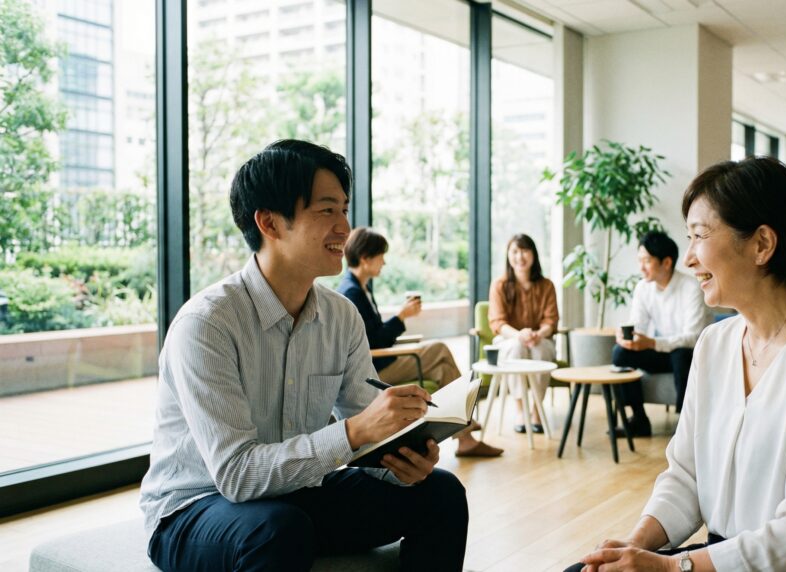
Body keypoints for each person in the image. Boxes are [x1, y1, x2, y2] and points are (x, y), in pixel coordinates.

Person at [139, 140, 468, 572]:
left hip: (298, 494)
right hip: (196, 507)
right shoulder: (207, 325)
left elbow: (368, 432)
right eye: (327, 210)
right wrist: (353, 433)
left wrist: (402, 461)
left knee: (441, 493)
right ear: (270, 223)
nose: (345, 226)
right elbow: (237, 475)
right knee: (277, 529)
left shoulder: (340, 317)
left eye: (345, 209)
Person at [567, 157, 786, 571]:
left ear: (761, 245)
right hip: (724, 556)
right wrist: (634, 545)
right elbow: (686, 477)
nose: (688, 259)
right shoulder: (714, 344)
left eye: (699, 236)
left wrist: (667, 567)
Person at [338, 226, 503, 458]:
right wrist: (402, 316)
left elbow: (376, 335)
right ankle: (465, 424)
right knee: (439, 349)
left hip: (383, 361)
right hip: (375, 369)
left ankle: (465, 439)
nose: (384, 263)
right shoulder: (352, 292)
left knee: (443, 368)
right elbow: (372, 343)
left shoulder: (361, 288)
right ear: (365, 258)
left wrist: (399, 319)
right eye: (381, 256)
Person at [612, 230, 713, 437]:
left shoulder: (691, 287)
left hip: (692, 354)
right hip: (662, 352)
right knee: (620, 353)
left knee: (681, 354)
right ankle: (639, 419)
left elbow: (692, 337)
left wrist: (651, 343)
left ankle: (687, 427)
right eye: (640, 260)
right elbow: (637, 325)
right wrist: (628, 339)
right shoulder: (643, 288)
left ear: (666, 263)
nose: (641, 267)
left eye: (647, 261)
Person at [488, 233, 559, 434]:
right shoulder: (499, 285)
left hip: (539, 338)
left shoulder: (547, 285)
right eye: (515, 251)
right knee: (516, 346)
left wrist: (538, 334)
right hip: (508, 339)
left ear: (534, 254)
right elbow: (498, 322)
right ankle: (520, 410)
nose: (520, 257)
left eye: (524, 251)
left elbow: (551, 321)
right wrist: (519, 335)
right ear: (508, 255)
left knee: (541, 349)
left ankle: (537, 410)